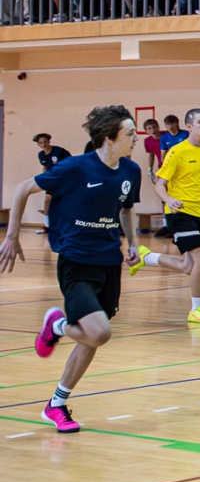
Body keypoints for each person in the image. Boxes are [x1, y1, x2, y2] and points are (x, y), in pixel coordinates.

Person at [4, 105, 143, 432]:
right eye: (130, 133)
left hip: (109, 263)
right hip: (76, 262)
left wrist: (133, 242)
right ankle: (56, 326)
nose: (135, 138)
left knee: (91, 339)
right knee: (99, 332)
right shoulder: (75, 168)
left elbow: (126, 209)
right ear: (109, 138)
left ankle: (56, 404)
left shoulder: (131, 170)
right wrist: (11, 236)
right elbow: (22, 188)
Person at [144, 108, 200, 324]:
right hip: (179, 213)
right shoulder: (177, 152)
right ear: (189, 126)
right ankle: (196, 309)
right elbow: (160, 185)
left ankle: (146, 257)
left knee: (189, 266)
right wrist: (169, 200)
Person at [33, 131, 70, 234]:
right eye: (41, 143)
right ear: (38, 144)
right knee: (47, 199)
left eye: (45, 142)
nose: (43, 144)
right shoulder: (41, 155)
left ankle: (66, 225)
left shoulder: (59, 151)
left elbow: (70, 162)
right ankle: (47, 225)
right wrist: (45, 177)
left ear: (49, 141)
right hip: (52, 180)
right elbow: (45, 167)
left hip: (63, 179)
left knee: (64, 201)